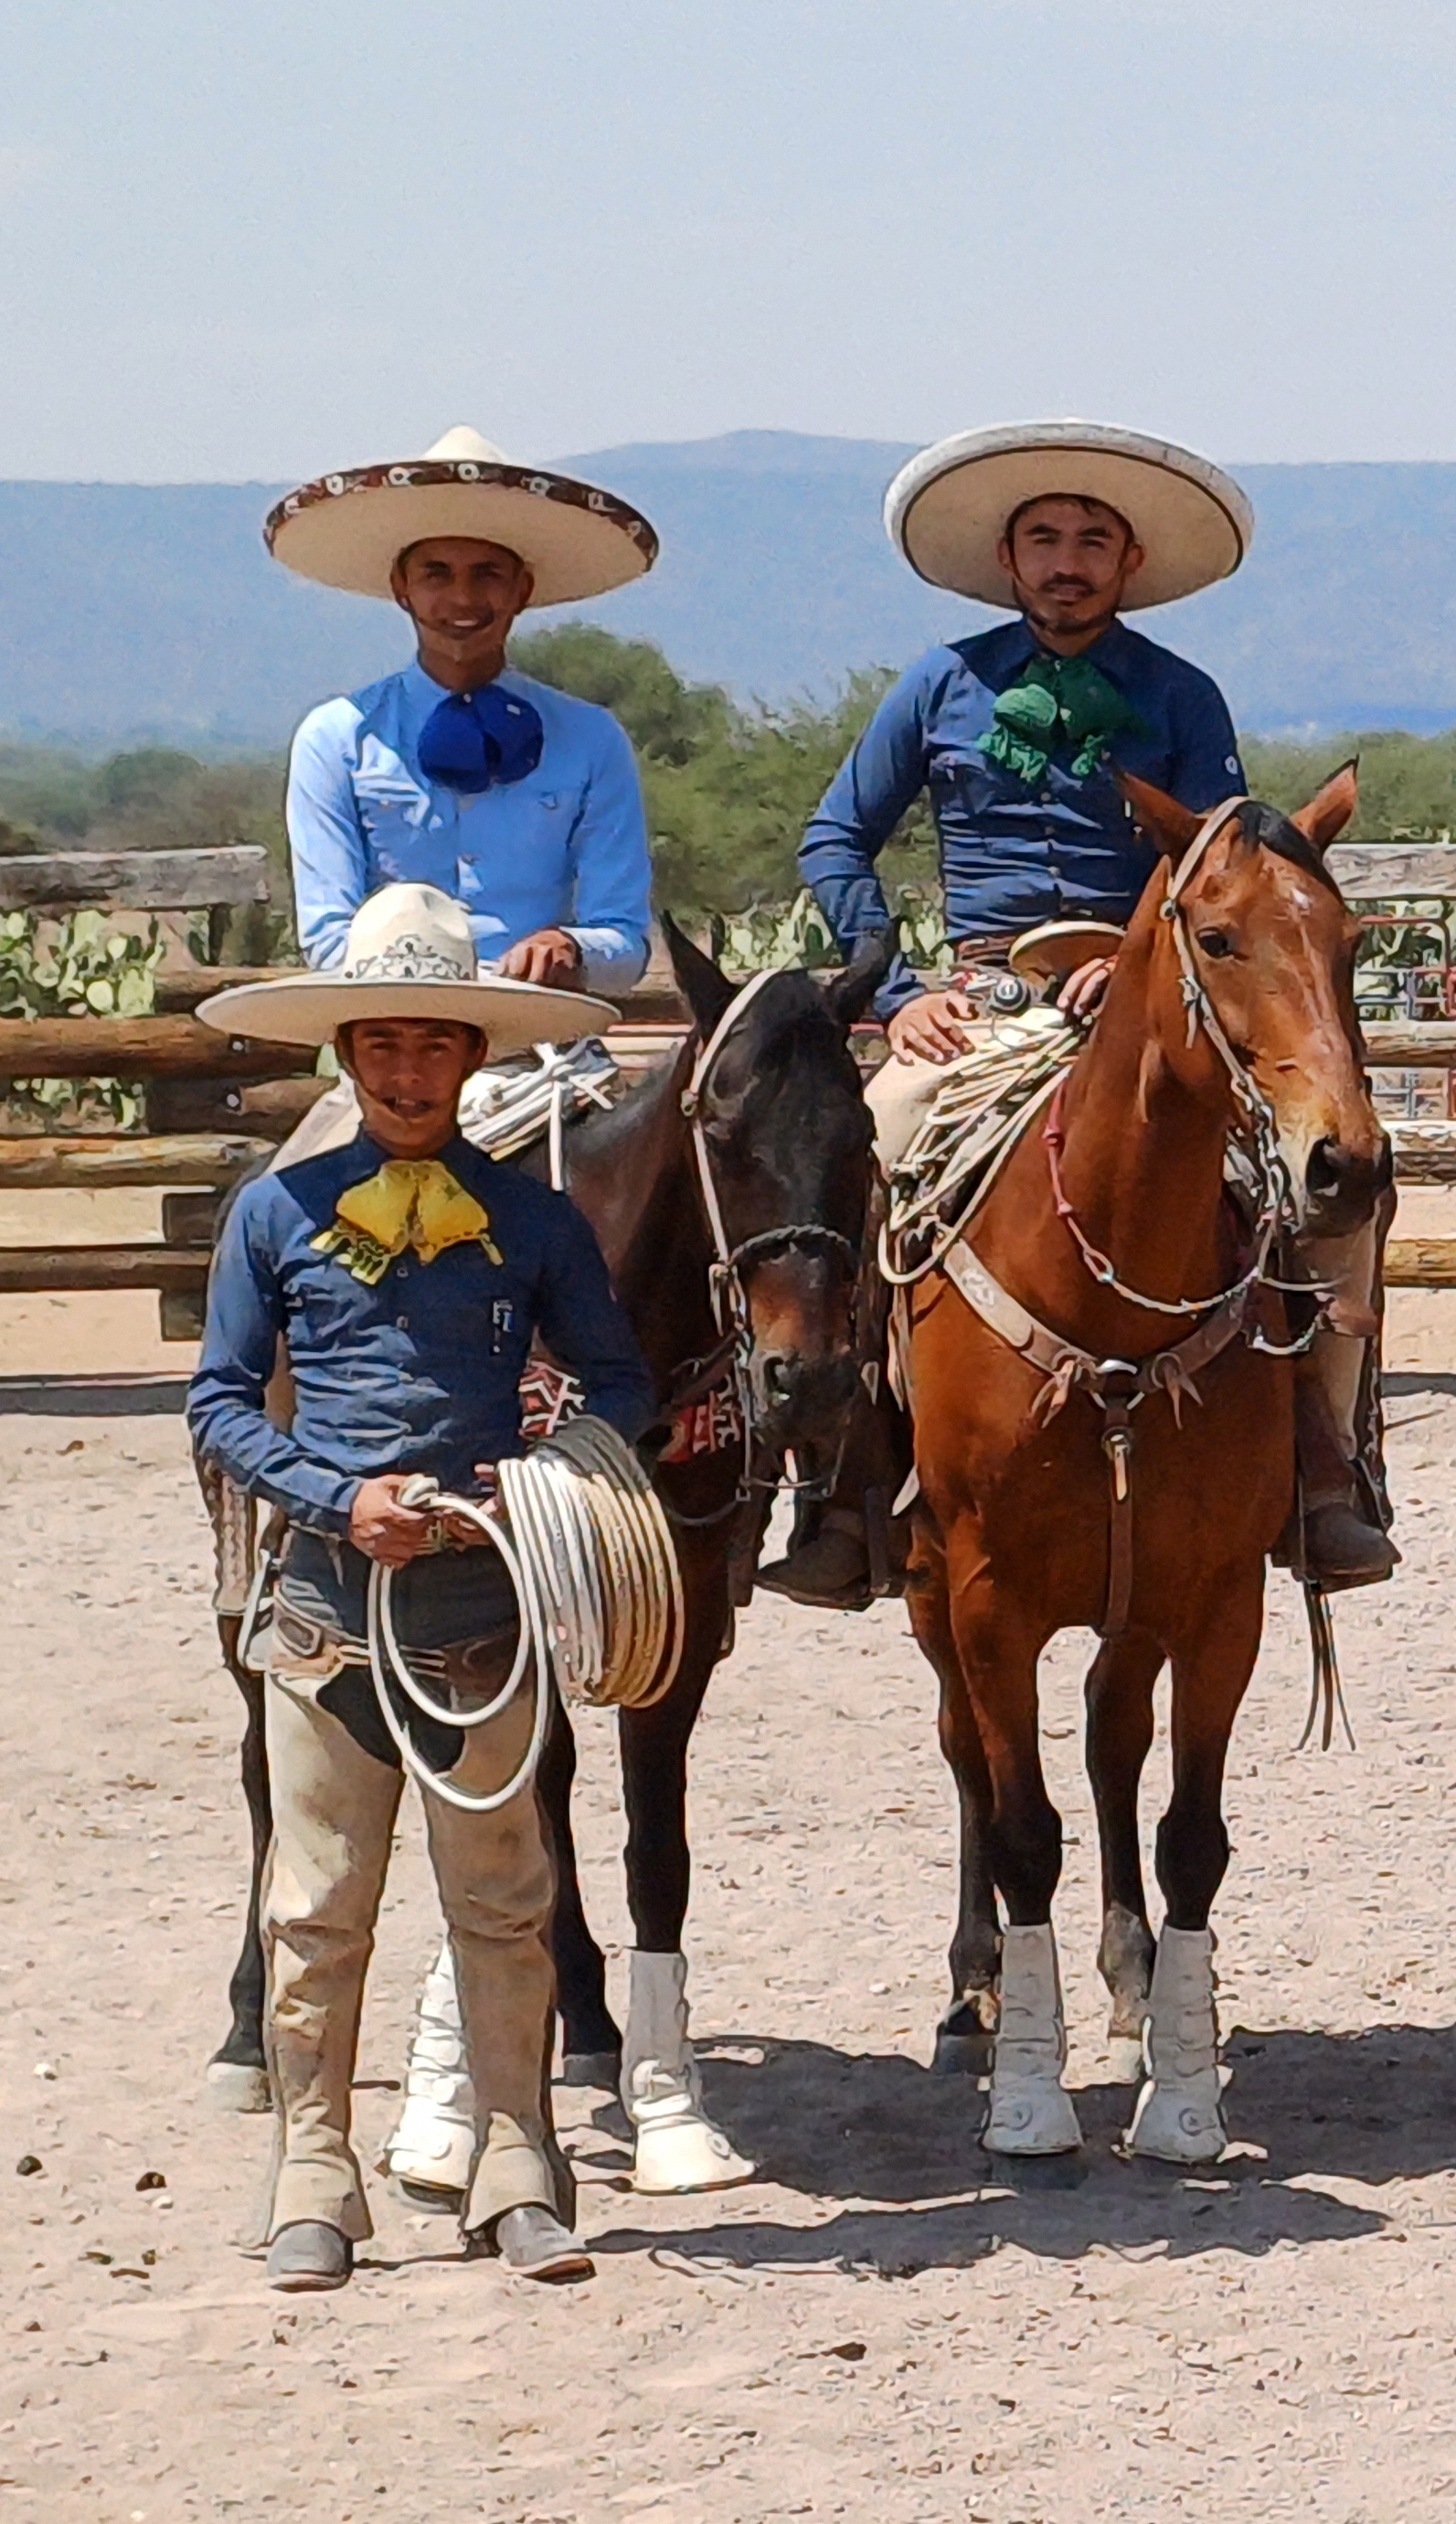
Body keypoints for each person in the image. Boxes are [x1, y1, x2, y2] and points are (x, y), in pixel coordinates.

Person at [796, 421, 1393, 1593]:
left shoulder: (1180, 694)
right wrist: (900, 994)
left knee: (1321, 1184)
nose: (1066, 563)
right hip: (980, 1004)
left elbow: (1223, 865)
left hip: (1149, 1001)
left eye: (1090, 541)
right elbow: (836, 838)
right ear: (1008, 559)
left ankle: (1325, 1467)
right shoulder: (938, 684)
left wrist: (1134, 963)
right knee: (870, 1151)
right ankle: (852, 1477)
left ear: (1128, 562)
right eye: (1044, 540)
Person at [187, 886, 658, 2294]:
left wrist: (536, 1478)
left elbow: (620, 1382)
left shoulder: (532, 1220)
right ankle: (315, 2175)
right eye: (381, 1046)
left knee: (502, 1901)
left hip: (483, 1618)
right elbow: (220, 1401)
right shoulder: (275, 1214)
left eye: (432, 1045)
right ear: (347, 1055)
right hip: (327, 1616)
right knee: (315, 1908)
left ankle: (517, 2167)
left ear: (472, 1055)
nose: (405, 1072)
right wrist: (339, 1499)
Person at [263, 426, 661, 1167]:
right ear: (402, 587)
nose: (462, 598)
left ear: (522, 590)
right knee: (273, 1213)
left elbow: (624, 940)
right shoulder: (336, 738)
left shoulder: (591, 740)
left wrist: (572, 949)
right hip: (394, 1069)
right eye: (437, 573)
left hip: (551, 1068)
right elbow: (327, 937)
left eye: (487, 574)